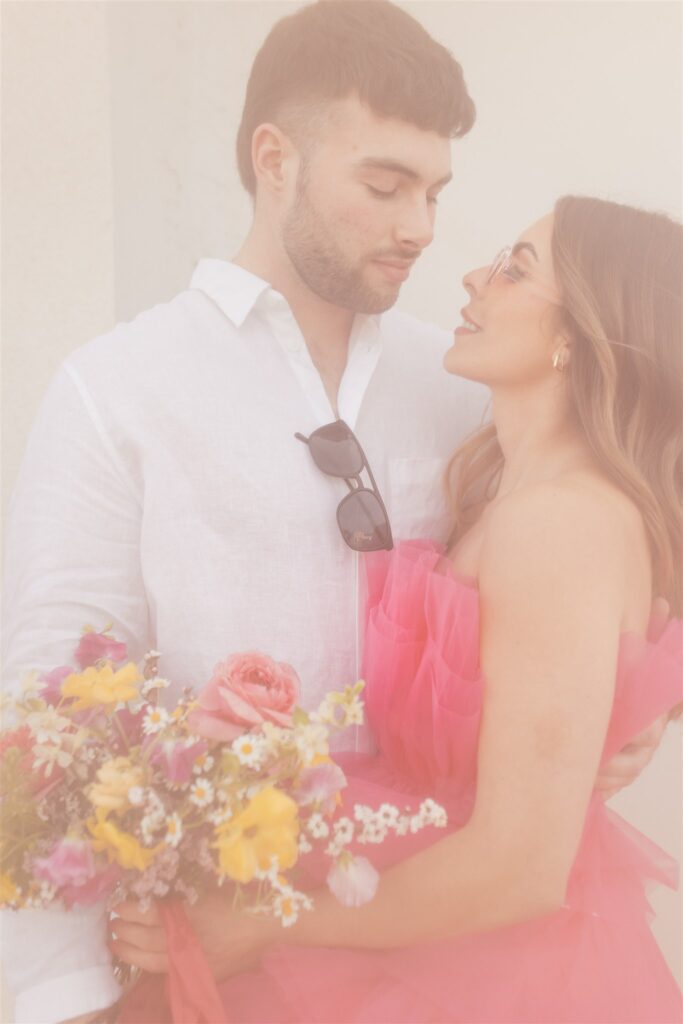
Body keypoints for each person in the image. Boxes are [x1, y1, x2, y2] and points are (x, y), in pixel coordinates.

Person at [0, 3, 673, 1022]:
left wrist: (642, 707)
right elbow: (45, 701)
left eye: (434, 190)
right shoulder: (116, 391)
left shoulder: (459, 389)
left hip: (435, 946)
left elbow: (614, 520)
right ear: (275, 158)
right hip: (203, 952)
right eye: (383, 185)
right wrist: (63, 997)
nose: (421, 227)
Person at [113, 198, 683, 1023]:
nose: (472, 277)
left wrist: (264, 927)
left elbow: (521, 866)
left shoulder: (563, 522)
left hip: (483, 960)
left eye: (515, 268)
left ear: (578, 336)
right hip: (409, 898)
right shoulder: (503, 490)